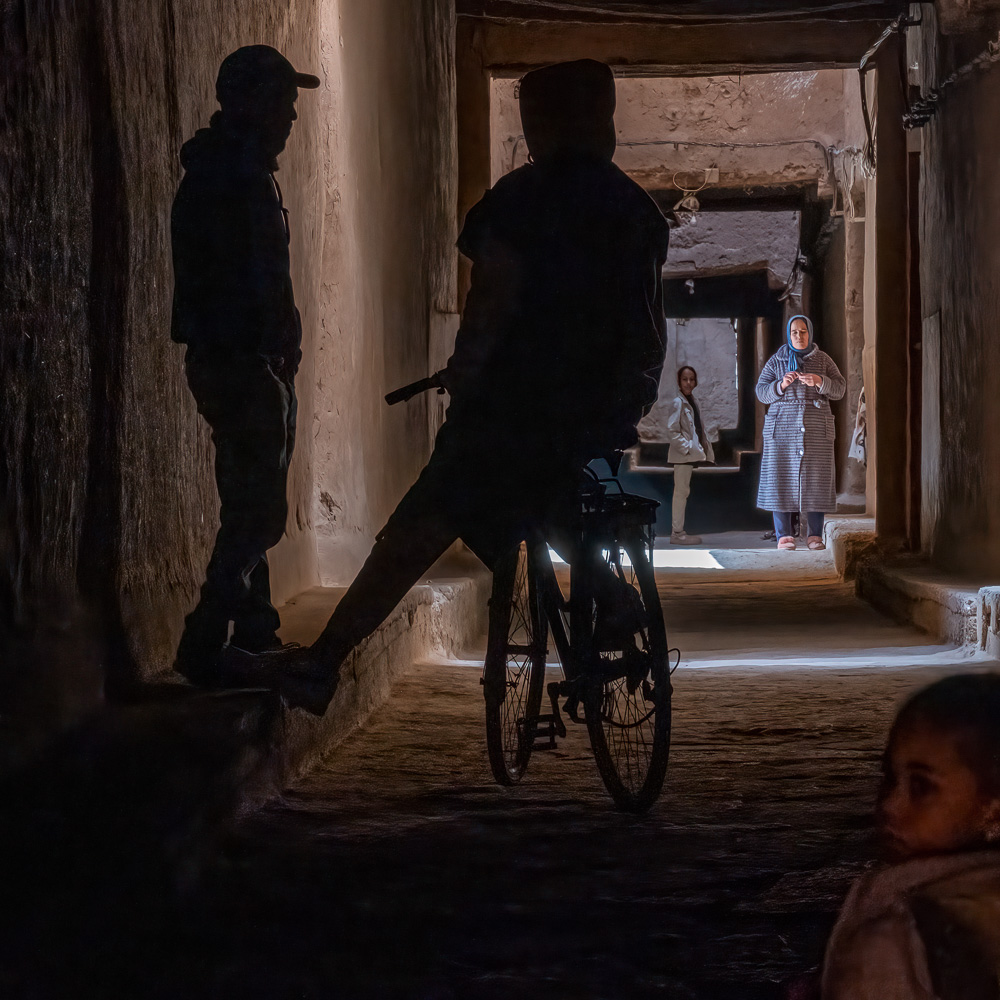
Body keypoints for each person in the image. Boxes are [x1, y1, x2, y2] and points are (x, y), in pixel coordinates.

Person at [235, 58, 670, 713]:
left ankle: (323, 663)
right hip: (600, 405)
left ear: (542, 123)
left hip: (510, 404)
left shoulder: (519, 201)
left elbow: (491, 301)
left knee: (424, 521)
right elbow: (643, 320)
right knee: (549, 493)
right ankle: (608, 596)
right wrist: (626, 397)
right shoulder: (636, 210)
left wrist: (466, 377)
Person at [170, 46, 319, 685]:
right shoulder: (233, 179)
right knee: (259, 511)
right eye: (282, 100)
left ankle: (255, 632)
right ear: (250, 103)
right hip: (239, 360)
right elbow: (248, 277)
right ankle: (206, 632)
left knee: (248, 497)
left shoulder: (234, 172)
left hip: (244, 359)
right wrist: (274, 336)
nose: (291, 114)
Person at [811, 674, 1000, 1000]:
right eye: (889, 779)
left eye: (921, 787)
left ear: (993, 810)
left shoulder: (893, 939)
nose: (890, 806)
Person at [756, 315, 846, 551]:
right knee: (781, 478)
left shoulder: (824, 360)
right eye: (794, 332)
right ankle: (783, 535)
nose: (799, 336)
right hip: (782, 430)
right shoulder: (777, 361)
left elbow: (839, 388)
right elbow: (761, 391)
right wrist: (781, 385)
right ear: (789, 334)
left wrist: (819, 380)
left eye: (803, 331)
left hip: (816, 430)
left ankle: (814, 535)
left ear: (810, 333)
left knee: (816, 480)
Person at [665, 365, 714, 545]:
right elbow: (672, 430)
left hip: (690, 454)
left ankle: (678, 532)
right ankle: (677, 533)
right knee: (680, 492)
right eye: (685, 379)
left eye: (691, 379)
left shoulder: (692, 400)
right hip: (683, 455)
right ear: (679, 381)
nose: (688, 382)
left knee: (683, 491)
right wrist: (686, 448)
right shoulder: (678, 402)